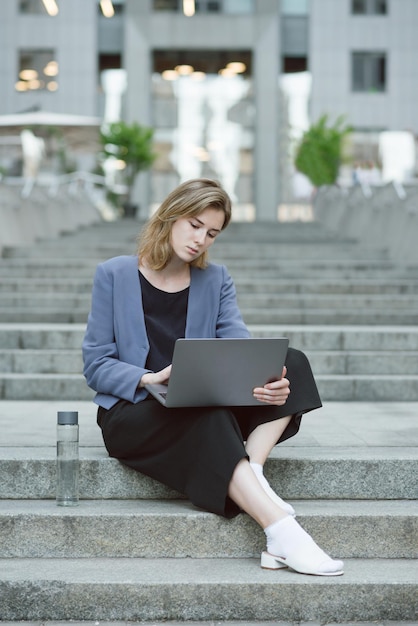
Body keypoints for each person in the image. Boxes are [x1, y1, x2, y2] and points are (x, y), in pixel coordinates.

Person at [82, 178, 344, 577]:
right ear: (170, 216)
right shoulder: (114, 274)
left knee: (292, 361)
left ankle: (251, 471)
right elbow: (96, 364)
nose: (200, 239)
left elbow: (237, 344)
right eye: (194, 224)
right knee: (206, 416)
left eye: (211, 233)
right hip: (132, 412)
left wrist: (268, 379)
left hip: (201, 402)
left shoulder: (215, 279)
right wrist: (150, 378)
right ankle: (282, 532)